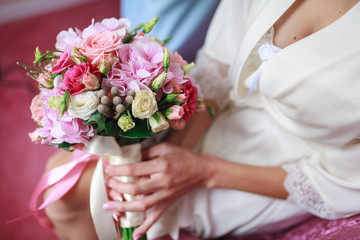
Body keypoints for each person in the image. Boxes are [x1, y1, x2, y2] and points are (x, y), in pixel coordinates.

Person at [45, 0, 360, 239]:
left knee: (112, 209)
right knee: (64, 181)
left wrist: (202, 172)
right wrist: (177, 152)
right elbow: (219, 65)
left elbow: (346, 180)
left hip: (281, 162)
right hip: (215, 111)